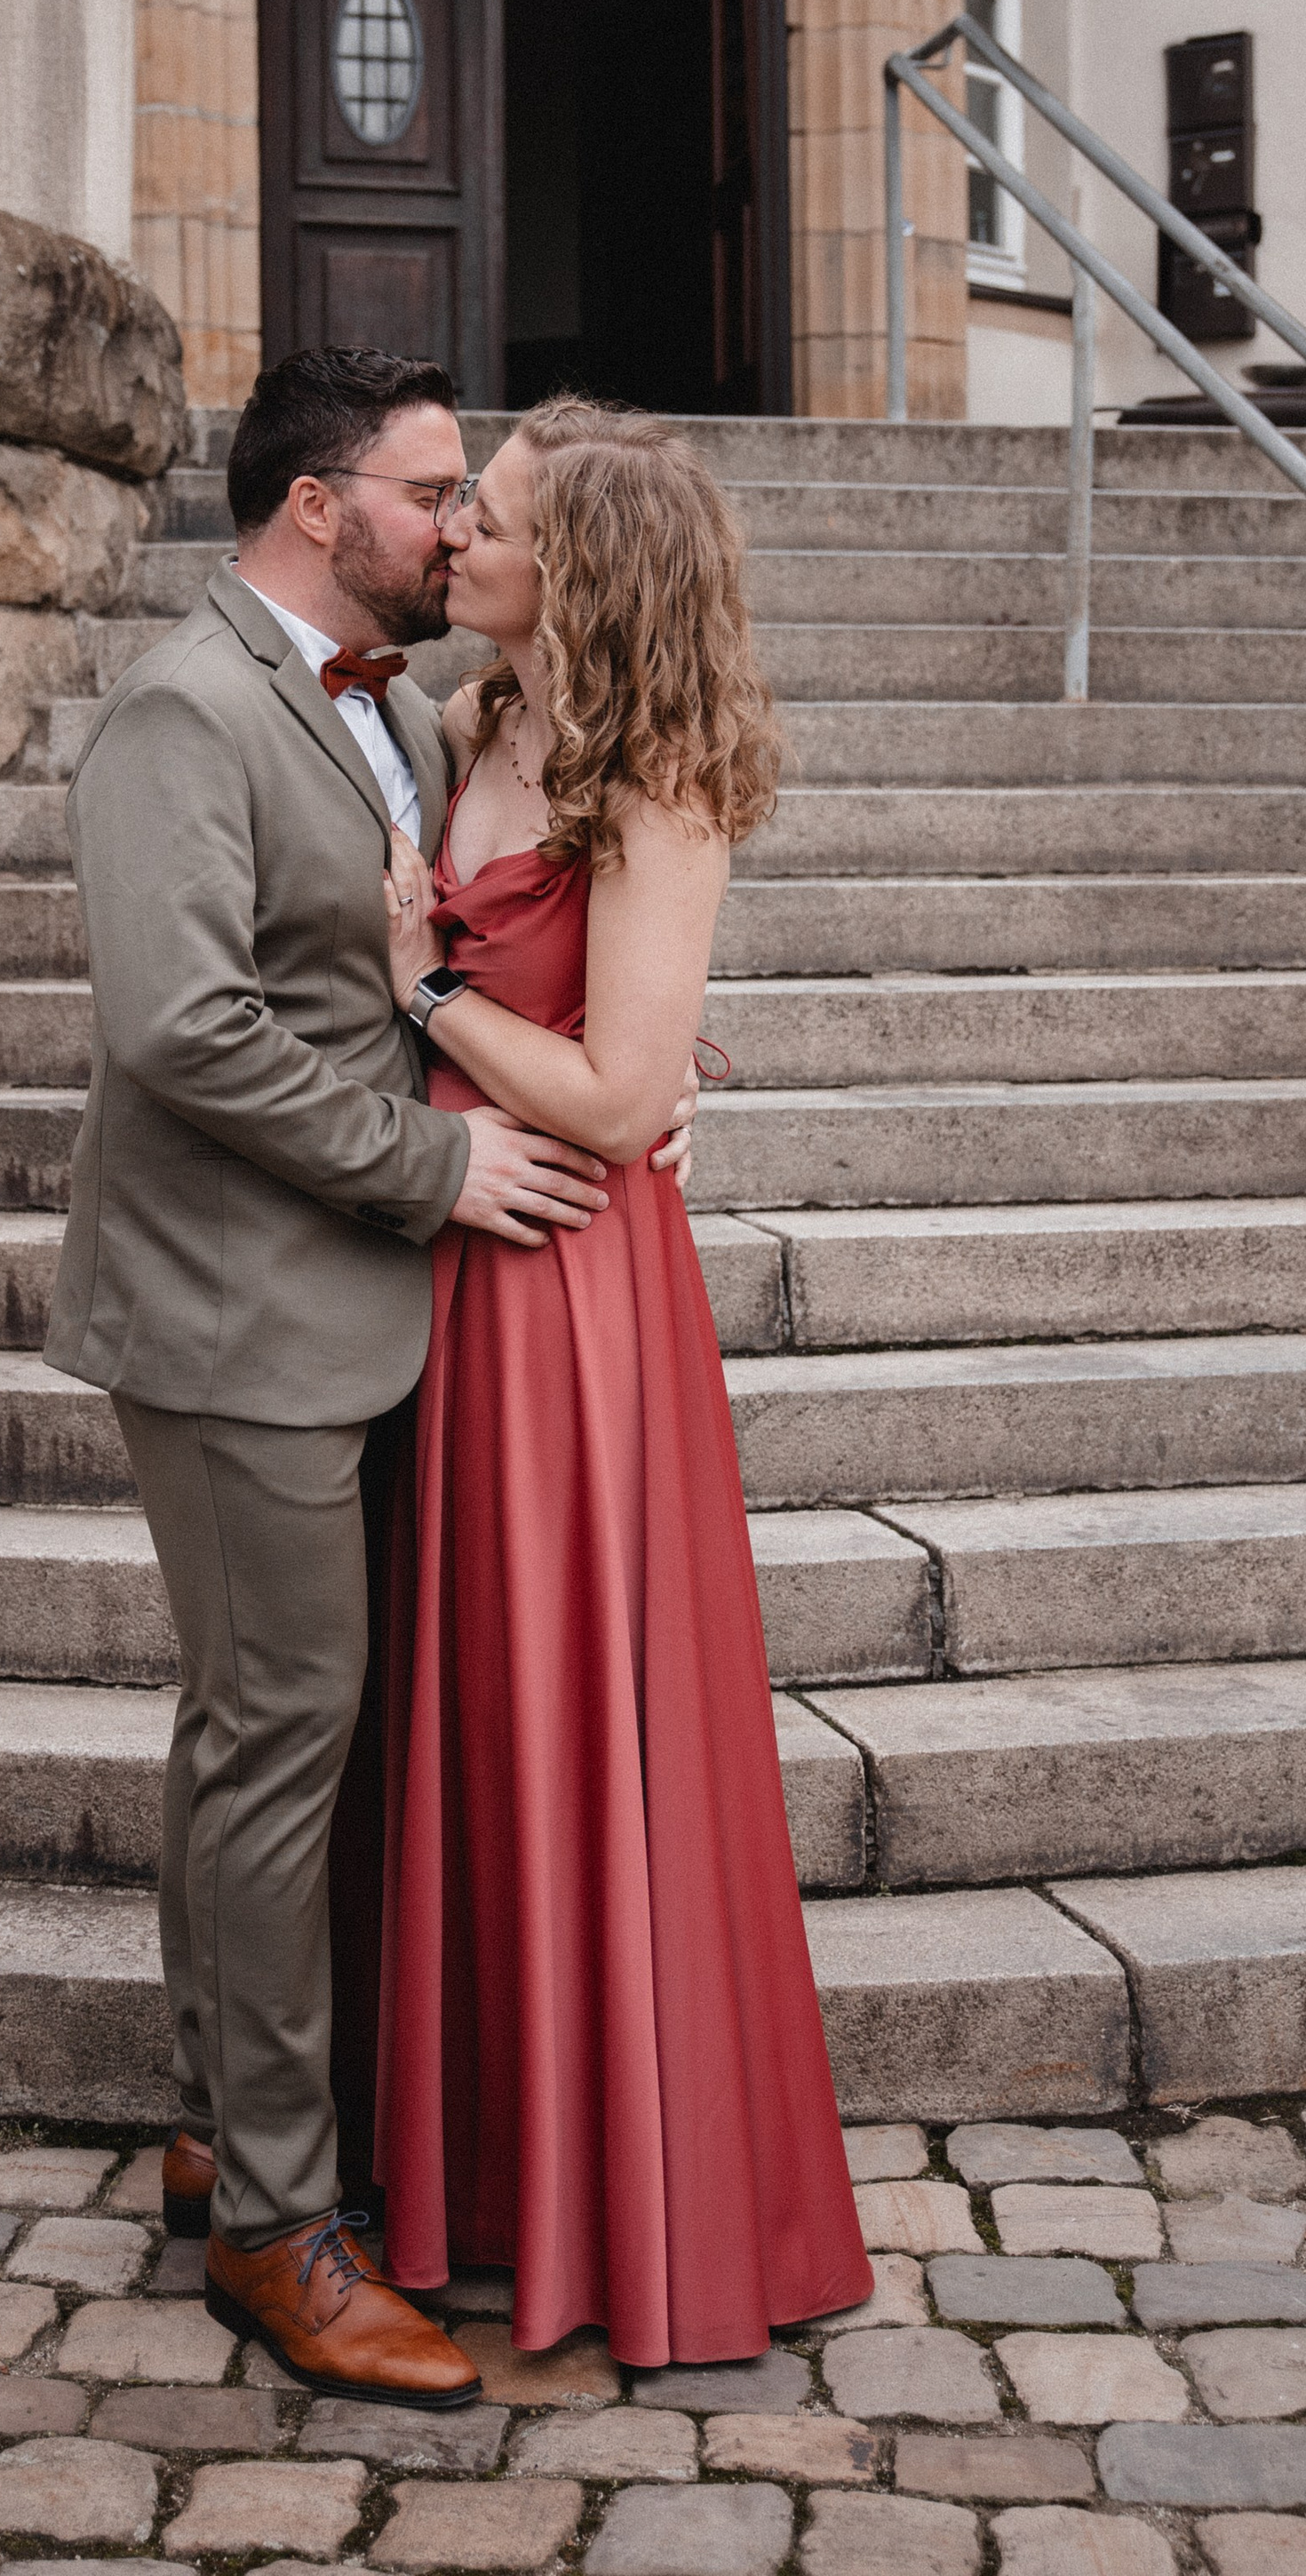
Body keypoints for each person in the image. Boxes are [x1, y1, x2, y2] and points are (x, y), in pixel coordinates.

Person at [51, 348, 695, 2405]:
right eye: (433, 491)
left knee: (264, 1733)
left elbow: (505, 953)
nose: (460, 526)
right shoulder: (178, 710)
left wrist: (636, 1098)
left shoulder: (415, 708)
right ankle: (275, 2231)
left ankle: (214, 2125)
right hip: (237, 1315)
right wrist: (435, 1163)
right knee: (274, 1741)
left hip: (368, 1311)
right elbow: (185, 1030)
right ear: (320, 509)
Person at [372, 397, 873, 2369]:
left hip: (565, 1290)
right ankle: (480, 2166)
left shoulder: (654, 779)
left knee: (567, 1706)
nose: (450, 538)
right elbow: (608, 1042)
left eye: (479, 518)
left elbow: (613, 1094)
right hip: (442, 1244)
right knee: (470, 1715)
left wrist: (430, 991)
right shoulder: (480, 727)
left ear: (567, 569)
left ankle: (621, 2199)